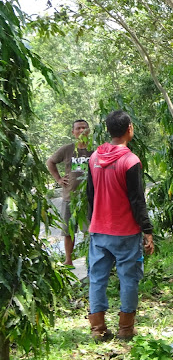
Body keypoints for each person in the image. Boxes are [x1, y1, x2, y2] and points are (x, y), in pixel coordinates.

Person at [86, 110, 154, 342]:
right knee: (128, 278)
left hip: (99, 231)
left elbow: (90, 196)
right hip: (125, 232)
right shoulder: (130, 161)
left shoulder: (94, 158)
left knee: (97, 278)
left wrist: (92, 223)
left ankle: (98, 330)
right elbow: (137, 200)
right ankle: (126, 329)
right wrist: (147, 231)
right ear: (129, 129)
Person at [47, 119, 93, 266]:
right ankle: (68, 260)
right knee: (68, 231)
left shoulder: (94, 150)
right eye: (78, 128)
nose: (81, 130)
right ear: (73, 133)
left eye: (84, 128)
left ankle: (90, 258)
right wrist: (59, 179)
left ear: (89, 131)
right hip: (70, 197)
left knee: (90, 230)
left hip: (89, 198)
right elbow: (50, 162)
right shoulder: (67, 149)